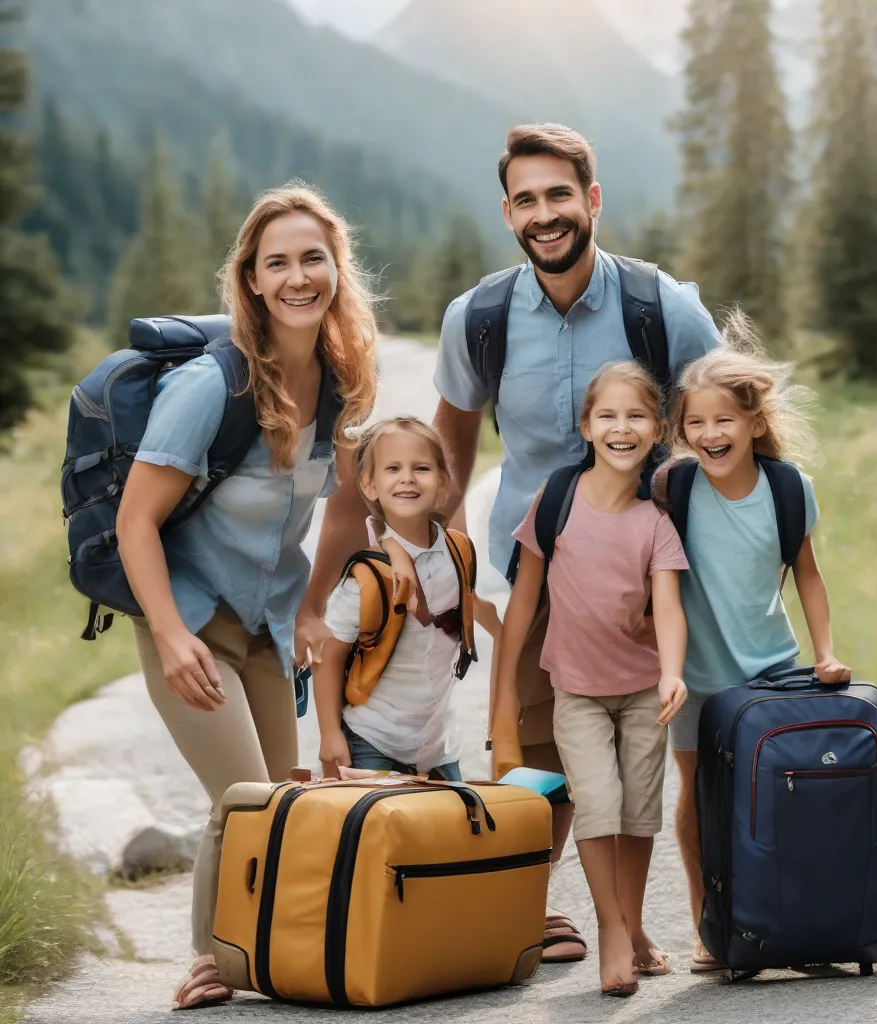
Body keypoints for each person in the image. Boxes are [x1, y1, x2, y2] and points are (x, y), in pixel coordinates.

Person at [295, 122, 721, 961]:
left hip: (654, 567)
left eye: (560, 195)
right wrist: (437, 566)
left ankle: (692, 924)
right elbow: (447, 449)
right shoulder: (479, 317)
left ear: (592, 201)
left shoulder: (661, 307)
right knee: (532, 748)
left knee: (674, 748)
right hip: (537, 568)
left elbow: (724, 426)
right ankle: (518, 910)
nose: (545, 214)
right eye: (526, 200)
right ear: (507, 214)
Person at [116, 184, 379, 1011]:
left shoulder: (339, 383)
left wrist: (312, 609)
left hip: (265, 628)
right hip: (191, 620)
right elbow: (135, 521)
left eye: (313, 258)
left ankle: (262, 951)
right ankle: (207, 962)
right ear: (253, 281)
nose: (299, 276)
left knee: (282, 800)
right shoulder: (210, 386)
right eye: (279, 263)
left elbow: (342, 513)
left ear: (337, 267)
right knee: (243, 803)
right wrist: (168, 636)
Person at [652, 311, 852, 974]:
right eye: (696, 423)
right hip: (696, 678)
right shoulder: (673, 488)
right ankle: (710, 926)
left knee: (779, 797)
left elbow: (809, 576)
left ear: (754, 423)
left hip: (772, 672)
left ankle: (795, 922)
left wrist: (824, 653)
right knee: (700, 801)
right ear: (683, 429)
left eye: (724, 421)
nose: (710, 435)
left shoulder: (788, 490)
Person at [493, 361, 688, 996]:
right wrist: (502, 701)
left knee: (639, 814)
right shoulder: (555, 502)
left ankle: (632, 926)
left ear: (657, 429)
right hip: (574, 691)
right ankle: (611, 929)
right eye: (607, 415)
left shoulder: (655, 522)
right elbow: (523, 603)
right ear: (586, 426)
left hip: (642, 692)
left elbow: (669, 607)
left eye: (636, 417)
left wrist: (674, 674)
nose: (621, 428)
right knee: (598, 804)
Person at [315, 417, 496, 780]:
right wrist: (329, 735)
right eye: (393, 468)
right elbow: (328, 657)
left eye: (422, 468)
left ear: (443, 482)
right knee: (380, 834)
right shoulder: (365, 581)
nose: (407, 478)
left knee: (450, 834)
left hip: (438, 744)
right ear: (369, 483)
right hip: (372, 741)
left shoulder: (458, 552)